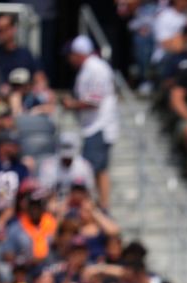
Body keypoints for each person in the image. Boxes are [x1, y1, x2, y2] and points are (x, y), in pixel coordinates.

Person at [64, 36, 119, 209]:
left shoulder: (95, 68)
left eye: (71, 54)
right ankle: (102, 205)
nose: (69, 59)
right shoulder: (91, 67)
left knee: (90, 169)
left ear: (79, 53)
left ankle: (94, 206)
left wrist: (71, 104)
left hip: (98, 126)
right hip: (95, 125)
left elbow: (94, 100)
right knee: (100, 169)